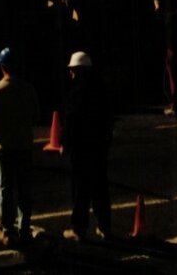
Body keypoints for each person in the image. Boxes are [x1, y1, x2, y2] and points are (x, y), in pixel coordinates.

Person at [0, 47, 41, 246]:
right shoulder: (28, 89)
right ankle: (24, 229)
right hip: (24, 145)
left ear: (2, 66)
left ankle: (6, 231)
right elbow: (36, 115)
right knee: (25, 188)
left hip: (4, 146)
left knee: (6, 188)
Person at [60, 51, 114, 242]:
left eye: (73, 70)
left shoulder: (76, 94)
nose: (71, 74)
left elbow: (71, 121)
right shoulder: (102, 90)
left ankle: (79, 229)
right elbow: (108, 119)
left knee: (80, 190)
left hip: (81, 149)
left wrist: (64, 144)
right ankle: (105, 227)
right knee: (100, 187)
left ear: (80, 71)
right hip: (99, 147)